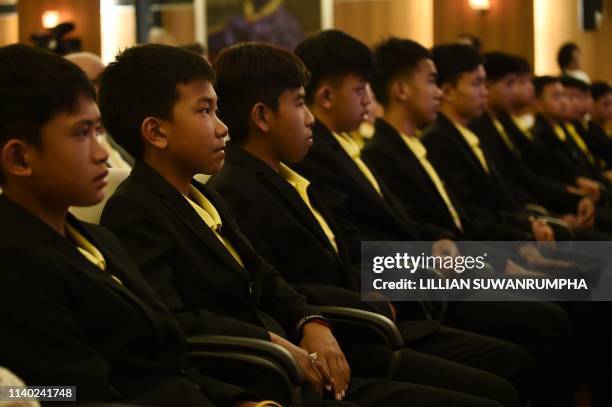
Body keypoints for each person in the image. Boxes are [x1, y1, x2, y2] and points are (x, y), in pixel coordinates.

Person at [97, 43, 501, 406]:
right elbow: (172, 322)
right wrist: (273, 340)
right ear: (155, 131)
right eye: (205, 111)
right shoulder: (144, 207)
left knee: (527, 314)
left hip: (322, 344)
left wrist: (312, 320)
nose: (222, 126)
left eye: (217, 109)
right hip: (265, 375)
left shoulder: (207, 196)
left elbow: (270, 278)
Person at [208, 41, 535, 406]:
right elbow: (281, 287)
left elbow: (351, 249)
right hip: (354, 336)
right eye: (301, 103)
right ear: (263, 117)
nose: (310, 116)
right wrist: (387, 289)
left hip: (384, 308)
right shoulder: (245, 188)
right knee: (506, 375)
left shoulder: (289, 176)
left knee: (556, 300)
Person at [0, 43, 265, 407]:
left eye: (98, 131)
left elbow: (167, 361)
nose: (101, 153)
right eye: (81, 134)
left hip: (288, 363)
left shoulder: (96, 238)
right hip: (268, 367)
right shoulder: (16, 263)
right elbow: (67, 395)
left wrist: (311, 321)